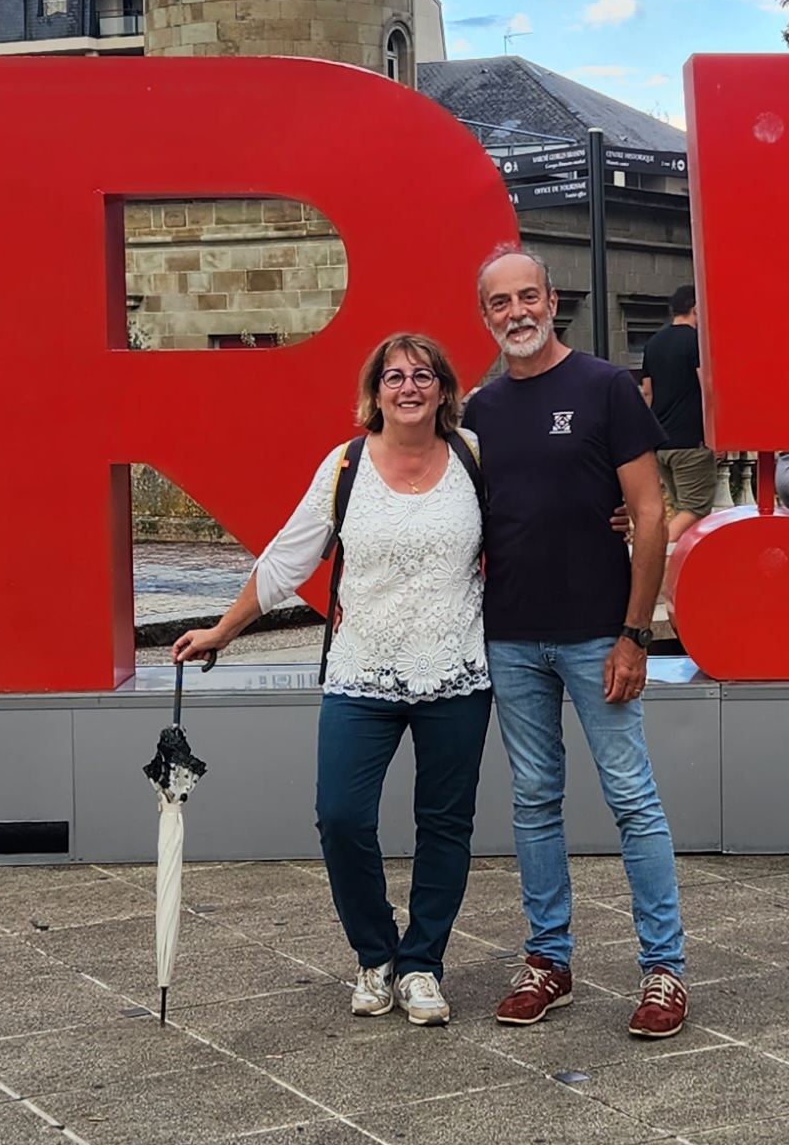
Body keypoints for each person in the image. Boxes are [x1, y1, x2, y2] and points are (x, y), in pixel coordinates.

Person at [176, 333, 488, 1028]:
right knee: (341, 817)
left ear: (443, 389)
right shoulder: (346, 464)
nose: (409, 388)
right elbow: (288, 558)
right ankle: (376, 954)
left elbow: (530, 528)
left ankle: (423, 965)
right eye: (394, 377)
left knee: (445, 825)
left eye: (423, 376)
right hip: (361, 672)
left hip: (457, 673)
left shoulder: (473, 455)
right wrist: (224, 629)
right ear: (374, 393)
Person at [463, 247, 687, 1038]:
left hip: (600, 634)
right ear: (485, 316)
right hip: (512, 637)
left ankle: (664, 972)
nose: (517, 312)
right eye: (500, 303)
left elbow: (650, 513)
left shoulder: (605, 387)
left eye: (529, 296)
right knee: (532, 803)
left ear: (552, 301)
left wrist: (636, 634)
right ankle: (548, 961)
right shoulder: (480, 412)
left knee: (632, 799)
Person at [640, 283, 717, 540]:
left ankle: (684, 568)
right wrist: (716, 433)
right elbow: (706, 387)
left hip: (662, 442)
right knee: (695, 508)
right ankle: (656, 551)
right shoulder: (696, 342)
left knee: (682, 512)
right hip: (691, 442)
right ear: (695, 307)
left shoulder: (653, 343)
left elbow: (647, 392)